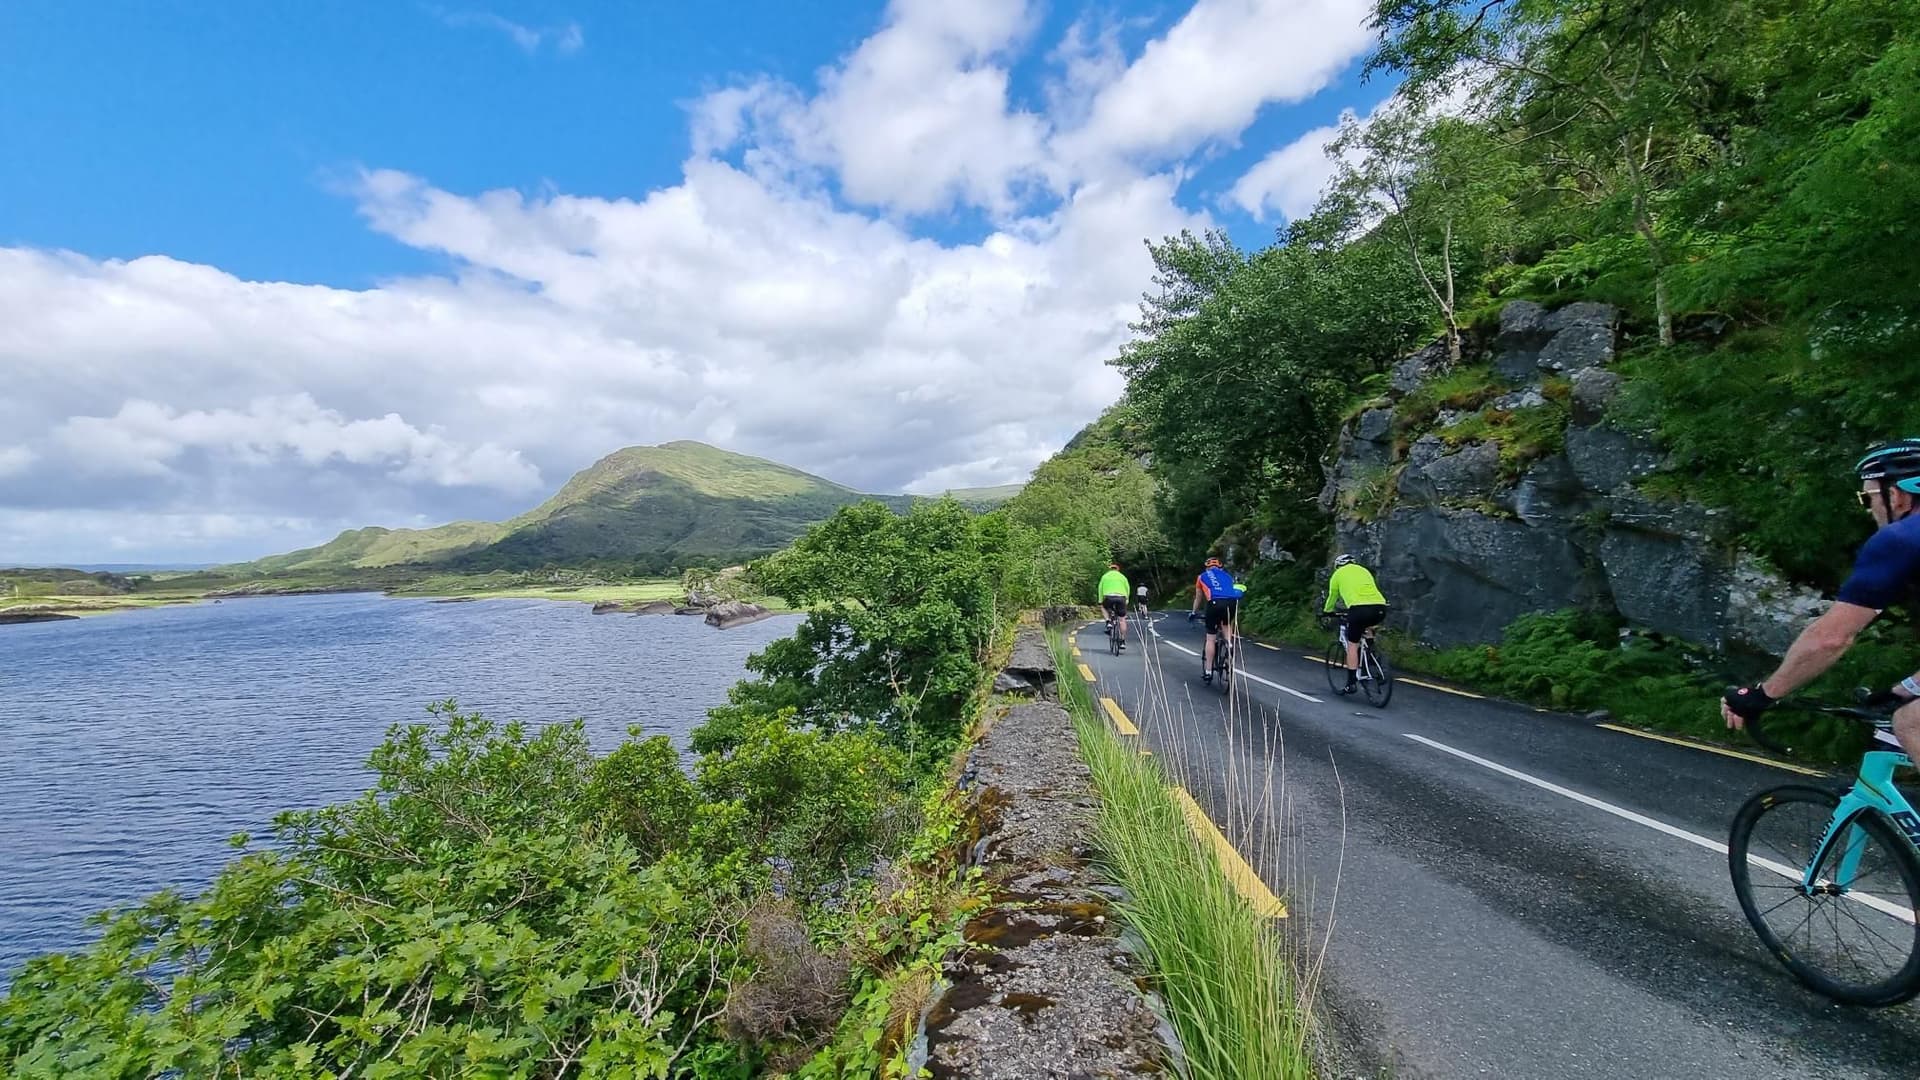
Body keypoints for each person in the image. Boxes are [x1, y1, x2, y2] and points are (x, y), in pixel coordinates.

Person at [1723, 440, 1920, 762]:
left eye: (1867, 497)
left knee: (1910, 724)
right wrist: (1906, 689)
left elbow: (1831, 638)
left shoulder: (1902, 539)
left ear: (1896, 495)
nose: (1870, 508)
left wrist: (1762, 694)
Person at [1323, 554, 1388, 695]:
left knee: (1353, 644)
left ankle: (1351, 683)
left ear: (1338, 565)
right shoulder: (1363, 570)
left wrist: (1327, 612)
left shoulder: (1338, 574)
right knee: (1368, 626)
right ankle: (1372, 654)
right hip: (1380, 607)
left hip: (1359, 609)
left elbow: (1332, 596)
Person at [1189, 557, 1245, 683]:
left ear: (1207, 567)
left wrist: (1193, 612)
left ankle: (1208, 671)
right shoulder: (1228, 576)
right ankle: (1229, 645)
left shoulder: (1202, 577)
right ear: (1221, 567)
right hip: (1231, 603)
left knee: (1210, 638)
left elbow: (1198, 598)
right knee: (1226, 624)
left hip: (1214, 603)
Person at [1097, 562, 1131, 650]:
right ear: (1118, 569)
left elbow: (1100, 588)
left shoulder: (1105, 576)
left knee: (1103, 607)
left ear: (1110, 569)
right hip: (1121, 598)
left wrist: (1100, 601)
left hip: (1109, 597)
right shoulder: (1122, 577)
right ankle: (1123, 641)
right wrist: (1127, 599)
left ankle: (1108, 622)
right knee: (1122, 620)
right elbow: (1127, 588)